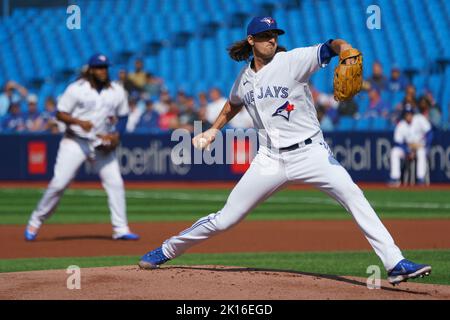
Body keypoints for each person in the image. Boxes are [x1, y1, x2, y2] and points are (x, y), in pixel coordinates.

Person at [138, 16, 431, 285]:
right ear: (251, 41)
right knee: (226, 218)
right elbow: (233, 103)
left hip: (311, 153)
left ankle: (395, 263)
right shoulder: (244, 78)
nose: (272, 39)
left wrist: (347, 48)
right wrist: (214, 128)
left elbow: (331, 45)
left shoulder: (292, 61)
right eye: (265, 35)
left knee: (353, 194)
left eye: (274, 34)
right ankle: (166, 249)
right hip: (269, 158)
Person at [24, 54, 139, 241]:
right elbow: (60, 114)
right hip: (75, 141)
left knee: (115, 183)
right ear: (91, 70)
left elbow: (124, 116)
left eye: (105, 67)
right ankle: (36, 220)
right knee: (59, 183)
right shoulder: (76, 89)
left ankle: (121, 229)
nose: (103, 71)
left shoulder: (116, 90)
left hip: (101, 144)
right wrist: (78, 121)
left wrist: (116, 135)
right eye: (99, 67)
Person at [389, 105, 433, 186]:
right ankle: (395, 178)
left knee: (421, 152)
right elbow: (398, 142)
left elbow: (429, 132)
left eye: (410, 113)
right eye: (406, 114)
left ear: (413, 113)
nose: (408, 116)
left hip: (420, 145)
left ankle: (421, 178)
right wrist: (408, 151)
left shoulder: (419, 119)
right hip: (408, 147)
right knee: (394, 152)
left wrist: (427, 145)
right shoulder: (401, 124)